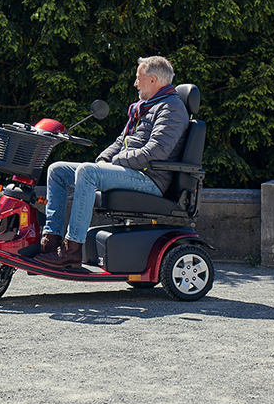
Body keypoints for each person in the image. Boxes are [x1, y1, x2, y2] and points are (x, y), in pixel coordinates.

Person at [35, 56, 189, 268]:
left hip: (150, 178)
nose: (135, 83)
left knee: (88, 172)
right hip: (130, 170)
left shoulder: (171, 108)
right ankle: (50, 242)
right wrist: (105, 159)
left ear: (153, 80)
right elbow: (121, 141)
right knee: (58, 170)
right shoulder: (143, 107)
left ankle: (72, 249)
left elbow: (158, 150)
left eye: (138, 78)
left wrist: (118, 160)